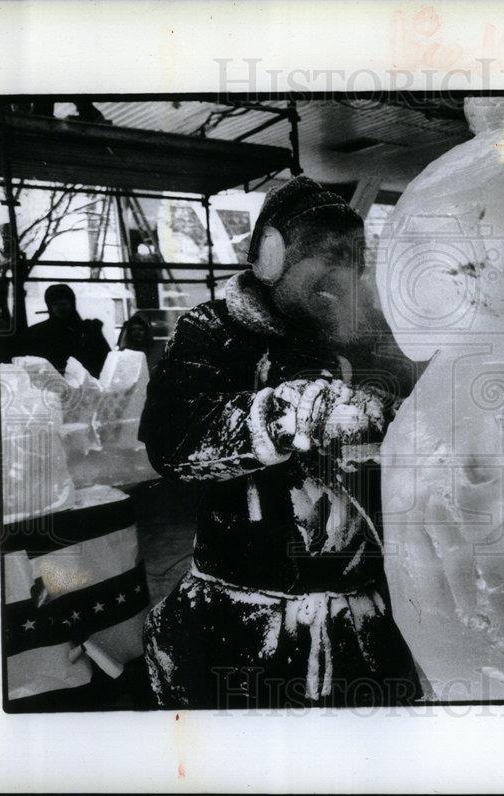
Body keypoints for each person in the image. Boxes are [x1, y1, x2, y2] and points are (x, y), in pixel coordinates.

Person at [139, 177, 422, 709]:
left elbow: (427, 422)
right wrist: (289, 414)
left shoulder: (376, 340)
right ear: (271, 256)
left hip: (364, 620)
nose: (347, 271)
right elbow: (172, 439)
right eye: (328, 254)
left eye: (355, 256)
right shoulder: (216, 332)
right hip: (244, 624)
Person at [14, 283, 111, 377]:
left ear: (72, 304)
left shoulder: (89, 331)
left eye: (64, 303)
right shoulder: (35, 333)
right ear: (49, 306)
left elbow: (106, 362)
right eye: (55, 304)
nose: (61, 308)